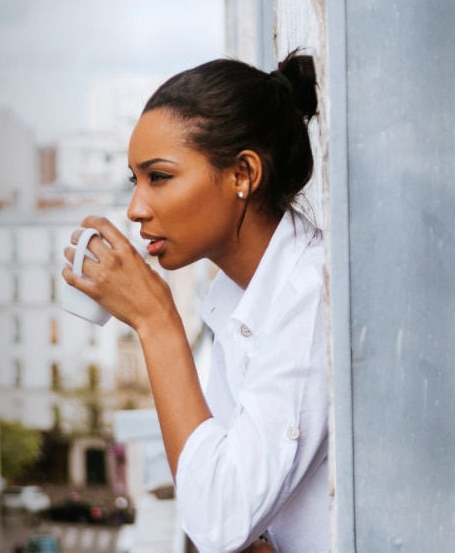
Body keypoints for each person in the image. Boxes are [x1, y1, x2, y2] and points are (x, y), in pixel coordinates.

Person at [61, 51, 328, 553]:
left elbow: (219, 521)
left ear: (243, 174)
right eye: (133, 181)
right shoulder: (236, 296)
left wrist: (155, 321)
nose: (136, 208)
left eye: (158, 177)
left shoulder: (309, 298)